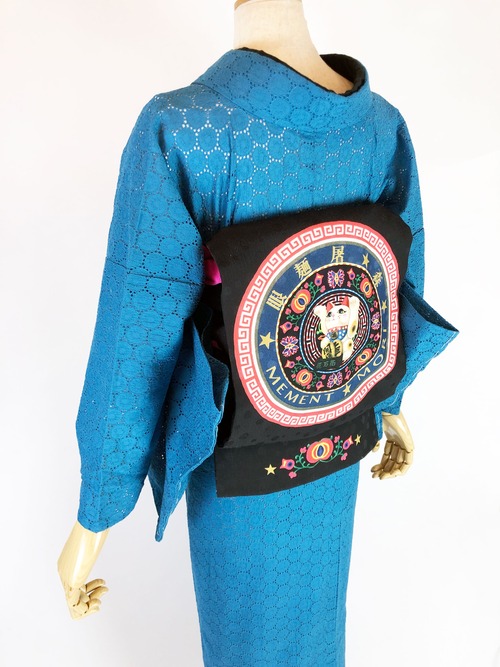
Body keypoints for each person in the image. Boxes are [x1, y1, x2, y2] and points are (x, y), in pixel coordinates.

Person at [58, 0, 457, 663]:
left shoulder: (185, 128)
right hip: (336, 430)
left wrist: (94, 513)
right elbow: (395, 282)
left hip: (243, 456)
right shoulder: (379, 128)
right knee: (313, 631)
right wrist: (389, 401)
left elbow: (138, 329)